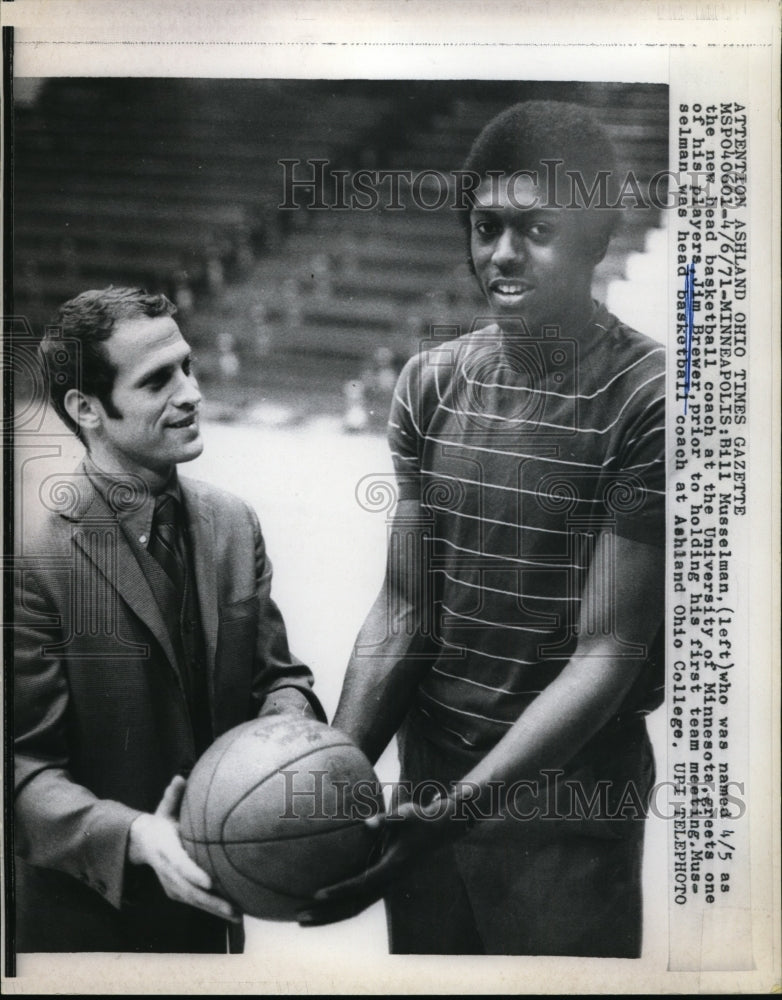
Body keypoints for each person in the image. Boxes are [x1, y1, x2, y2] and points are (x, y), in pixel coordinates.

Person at [300, 100, 665, 957]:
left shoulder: (647, 397)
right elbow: (403, 613)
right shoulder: (430, 382)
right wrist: (332, 782)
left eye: (536, 229)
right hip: (429, 788)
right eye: (486, 225)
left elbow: (607, 655)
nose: (502, 253)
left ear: (596, 235)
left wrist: (462, 810)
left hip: (563, 804)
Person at [14, 286, 325, 952]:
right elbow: (23, 773)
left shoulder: (235, 524)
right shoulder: (33, 560)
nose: (191, 393)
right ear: (86, 409)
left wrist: (289, 728)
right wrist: (134, 836)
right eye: (158, 380)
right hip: (89, 935)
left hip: (215, 920)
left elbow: (279, 677)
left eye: (186, 366)